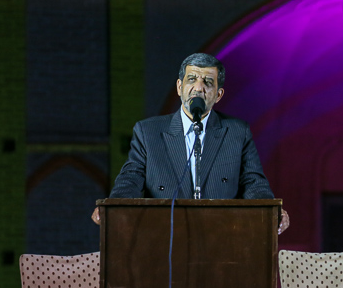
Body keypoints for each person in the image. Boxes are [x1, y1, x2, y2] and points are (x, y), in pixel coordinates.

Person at [91, 53, 289, 233]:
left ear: (218, 94)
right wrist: (113, 207)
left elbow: (253, 182)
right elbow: (131, 179)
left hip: (223, 234)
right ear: (180, 87)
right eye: (192, 79)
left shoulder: (237, 132)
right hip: (164, 236)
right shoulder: (148, 132)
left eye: (208, 82)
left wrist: (271, 211)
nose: (199, 88)